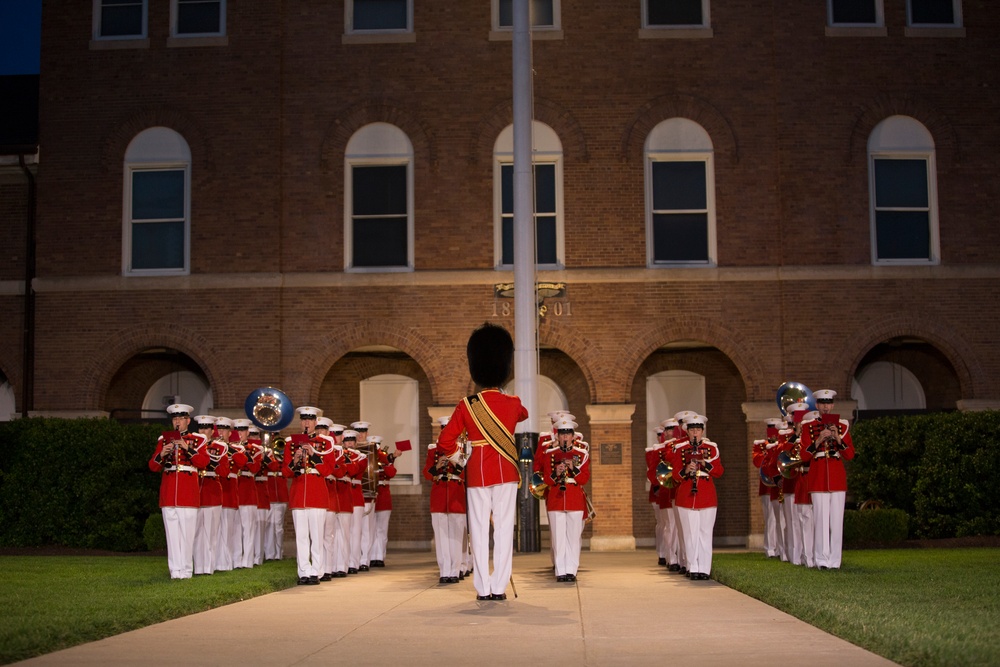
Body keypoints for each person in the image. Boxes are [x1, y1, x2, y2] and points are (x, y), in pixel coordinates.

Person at [435, 322, 528, 601]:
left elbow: (445, 442)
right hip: (507, 472)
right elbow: (522, 414)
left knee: (477, 531)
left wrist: (462, 460)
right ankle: (499, 588)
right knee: (503, 531)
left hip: (476, 473)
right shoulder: (513, 403)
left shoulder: (467, 405)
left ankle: (483, 588)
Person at [148, 403, 210, 579]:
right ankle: (175, 571)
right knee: (172, 534)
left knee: (187, 533)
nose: (177, 422)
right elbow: (152, 466)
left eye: (181, 419)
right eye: (175, 419)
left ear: (188, 420)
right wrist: (162, 454)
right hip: (169, 492)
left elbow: (203, 462)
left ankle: (186, 570)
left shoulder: (198, 439)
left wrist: (186, 447)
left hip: (187, 492)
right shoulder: (164, 440)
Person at [799, 389, 855, 570]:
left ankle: (835, 561)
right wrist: (818, 440)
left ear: (832, 405)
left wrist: (838, 438)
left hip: (837, 476)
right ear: (817, 405)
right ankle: (821, 560)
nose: (825, 406)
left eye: (828, 403)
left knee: (837, 521)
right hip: (818, 476)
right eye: (822, 403)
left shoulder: (843, 426)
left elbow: (849, 454)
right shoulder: (808, 427)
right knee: (820, 520)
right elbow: (804, 456)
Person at [670, 414, 723, 580]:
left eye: (698, 430)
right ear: (687, 431)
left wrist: (704, 463)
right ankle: (693, 567)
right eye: (692, 429)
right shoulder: (680, 449)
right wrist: (686, 470)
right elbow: (675, 476)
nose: (695, 433)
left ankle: (705, 569)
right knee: (690, 533)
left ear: (702, 431)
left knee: (705, 533)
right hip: (686, 494)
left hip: (706, 493)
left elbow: (719, 471)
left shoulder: (712, 448)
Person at [284, 406, 331, 585]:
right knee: (301, 537)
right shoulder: (291, 443)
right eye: (304, 419)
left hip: (316, 493)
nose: (306, 423)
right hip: (298, 493)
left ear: (315, 422)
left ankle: (317, 572)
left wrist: (314, 455)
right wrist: (295, 460)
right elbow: (286, 472)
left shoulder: (325, 443)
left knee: (317, 536)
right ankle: (303, 571)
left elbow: (327, 470)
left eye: (310, 420)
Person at [541, 416, 590, 582]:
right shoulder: (550, 454)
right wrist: (556, 472)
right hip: (556, 498)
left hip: (574, 497)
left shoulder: (581, 454)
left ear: (573, 436)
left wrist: (573, 469)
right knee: (558, 537)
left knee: (573, 537)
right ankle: (560, 571)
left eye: (567, 434)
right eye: (561, 434)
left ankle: (571, 570)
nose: (564, 437)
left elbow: (584, 479)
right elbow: (547, 480)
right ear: (557, 436)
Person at [424, 416, 468, 584]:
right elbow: (426, 474)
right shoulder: (433, 450)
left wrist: (456, 463)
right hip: (439, 494)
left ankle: (455, 571)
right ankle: (444, 571)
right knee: (441, 536)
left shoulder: (462, 450)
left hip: (456, 495)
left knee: (456, 536)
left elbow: (468, 475)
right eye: (444, 429)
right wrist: (437, 467)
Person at [193, 414, 225, 575]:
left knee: (211, 533)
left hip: (212, 492)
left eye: (206, 428)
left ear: (212, 431)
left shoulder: (219, 447)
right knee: (197, 533)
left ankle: (209, 567)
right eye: (200, 428)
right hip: (196, 491)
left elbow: (225, 471)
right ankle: (198, 567)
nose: (203, 431)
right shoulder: (194, 445)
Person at [369, 435, 396, 568]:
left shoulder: (385, 459)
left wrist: (384, 462)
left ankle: (379, 556)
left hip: (383, 496)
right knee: (371, 529)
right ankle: (371, 556)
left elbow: (391, 473)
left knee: (381, 529)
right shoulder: (368, 459)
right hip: (371, 495)